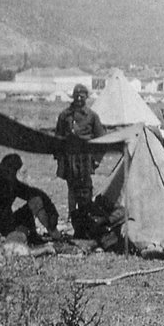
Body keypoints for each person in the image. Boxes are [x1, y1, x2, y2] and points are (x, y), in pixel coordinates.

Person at [55, 83, 105, 238]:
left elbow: (101, 140)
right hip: (70, 158)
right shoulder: (64, 115)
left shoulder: (92, 116)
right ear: (73, 96)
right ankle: (74, 221)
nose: (78, 98)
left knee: (85, 191)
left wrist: (95, 161)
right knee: (72, 190)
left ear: (86, 97)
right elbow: (58, 137)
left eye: (82, 95)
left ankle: (85, 224)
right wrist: (60, 158)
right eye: (76, 95)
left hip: (85, 158)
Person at [0, 154, 60, 243]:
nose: (14, 174)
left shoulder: (10, 183)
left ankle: (37, 235)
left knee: (34, 202)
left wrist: (51, 210)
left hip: (4, 224)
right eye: (14, 170)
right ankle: (33, 236)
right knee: (31, 207)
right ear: (6, 169)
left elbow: (34, 193)